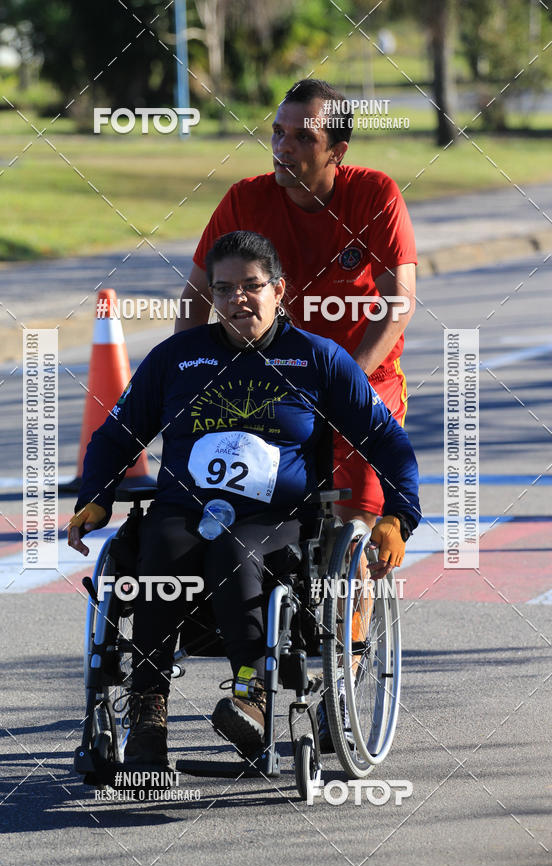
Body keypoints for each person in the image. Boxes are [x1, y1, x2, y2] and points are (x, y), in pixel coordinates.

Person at [68, 231, 421, 771]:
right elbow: (118, 435)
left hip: (276, 520)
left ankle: (252, 696)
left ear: (279, 290)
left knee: (236, 548)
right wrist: (95, 498)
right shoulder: (177, 358)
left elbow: (385, 439)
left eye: (252, 286)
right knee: (158, 544)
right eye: (225, 288)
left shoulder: (317, 359)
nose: (239, 299)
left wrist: (399, 514)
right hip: (185, 511)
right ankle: (147, 717)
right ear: (211, 296)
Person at [176, 78, 417, 534]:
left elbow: (399, 300)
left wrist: (348, 379)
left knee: (353, 530)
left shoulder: (375, 194)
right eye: (278, 132)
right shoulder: (244, 199)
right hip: (272, 382)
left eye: (304, 137)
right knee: (249, 518)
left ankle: (355, 594)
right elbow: (196, 296)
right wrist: (188, 372)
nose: (283, 146)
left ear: (337, 151)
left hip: (362, 377)